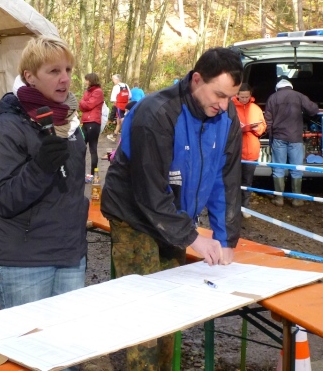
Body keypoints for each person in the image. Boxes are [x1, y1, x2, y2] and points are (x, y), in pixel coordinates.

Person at [101, 47, 243, 370]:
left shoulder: (226, 116)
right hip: (133, 216)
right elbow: (150, 193)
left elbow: (226, 179)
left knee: (169, 307)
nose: (224, 105)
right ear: (197, 80)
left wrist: (225, 238)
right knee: (144, 309)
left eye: (231, 97)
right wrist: (193, 238)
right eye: (219, 95)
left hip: (175, 217)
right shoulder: (156, 114)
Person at [0, 35, 88, 310]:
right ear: (30, 76)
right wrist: (40, 167)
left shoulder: (70, 123)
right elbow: (2, 201)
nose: (65, 79)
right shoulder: (6, 128)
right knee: (28, 337)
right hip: (24, 261)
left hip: (70, 254)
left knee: (67, 336)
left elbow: (72, 189)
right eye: (53, 71)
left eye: (68, 70)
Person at [264, 78, 319, 207]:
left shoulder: (272, 98)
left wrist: (271, 135)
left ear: (277, 88)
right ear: (290, 87)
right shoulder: (299, 96)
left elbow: (268, 119)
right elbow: (313, 110)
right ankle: (296, 199)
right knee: (296, 169)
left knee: (278, 168)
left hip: (278, 137)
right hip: (295, 138)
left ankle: (279, 199)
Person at [232, 83, 266, 218]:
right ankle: (233, 208)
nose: (245, 99)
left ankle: (245, 207)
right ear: (237, 95)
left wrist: (258, 129)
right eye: (242, 97)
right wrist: (238, 129)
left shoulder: (256, 109)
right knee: (233, 181)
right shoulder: (230, 108)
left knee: (247, 182)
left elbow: (263, 125)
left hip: (251, 150)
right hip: (235, 151)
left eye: (247, 97)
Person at [79, 72, 104, 182]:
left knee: (93, 149)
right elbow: (82, 107)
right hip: (85, 122)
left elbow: (88, 105)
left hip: (93, 122)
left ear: (91, 80)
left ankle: (92, 174)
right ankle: (81, 173)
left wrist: (82, 102)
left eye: (87, 79)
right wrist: (83, 103)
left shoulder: (98, 92)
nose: (85, 81)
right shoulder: (87, 91)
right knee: (81, 148)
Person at [107, 74, 130, 141]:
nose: (113, 81)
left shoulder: (116, 87)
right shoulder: (126, 85)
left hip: (119, 106)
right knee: (119, 122)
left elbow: (113, 99)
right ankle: (114, 136)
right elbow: (130, 96)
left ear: (116, 79)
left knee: (123, 121)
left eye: (113, 80)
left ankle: (127, 136)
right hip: (126, 106)